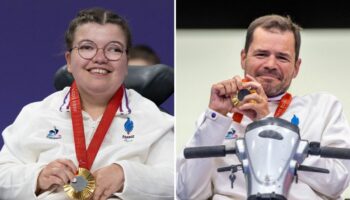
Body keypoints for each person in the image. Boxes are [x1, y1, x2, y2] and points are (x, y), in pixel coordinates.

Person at [0, 7, 174, 200]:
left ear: (126, 63)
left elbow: (178, 181)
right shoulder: (35, 114)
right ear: (69, 60)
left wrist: (126, 175)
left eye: (114, 49)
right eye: (87, 47)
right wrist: (38, 177)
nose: (100, 58)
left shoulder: (155, 119)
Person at [177, 14, 350, 200]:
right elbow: (188, 194)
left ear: (296, 67)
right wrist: (215, 117)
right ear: (243, 58)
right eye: (261, 54)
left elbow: (337, 183)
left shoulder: (323, 108)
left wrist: (266, 123)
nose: (270, 64)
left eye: (282, 58)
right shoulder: (218, 118)